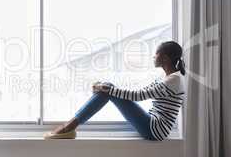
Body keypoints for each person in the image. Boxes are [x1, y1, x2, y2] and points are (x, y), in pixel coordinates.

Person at [43, 41, 186, 141]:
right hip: (153, 125)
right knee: (107, 88)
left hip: (154, 130)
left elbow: (138, 96)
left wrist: (105, 89)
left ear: (165, 58)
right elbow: (141, 92)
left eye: (156, 54)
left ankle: (70, 126)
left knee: (107, 89)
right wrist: (105, 88)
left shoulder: (173, 80)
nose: (153, 57)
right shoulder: (169, 77)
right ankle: (71, 125)